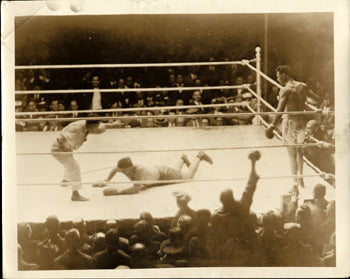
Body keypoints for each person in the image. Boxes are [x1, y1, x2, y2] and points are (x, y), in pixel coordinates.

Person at [265, 65, 320, 195]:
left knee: (292, 156)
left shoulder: (285, 90)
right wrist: (306, 104)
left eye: (278, 76)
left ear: (284, 75)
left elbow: (280, 110)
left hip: (290, 123)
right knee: (299, 152)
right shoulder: (303, 86)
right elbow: (317, 99)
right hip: (302, 122)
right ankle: (300, 179)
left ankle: (294, 186)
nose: (277, 79)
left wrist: (272, 125)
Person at [93, 151, 213, 195]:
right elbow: (115, 169)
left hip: (163, 175)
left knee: (187, 177)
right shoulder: (122, 167)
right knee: (176, 171)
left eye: (124, 171)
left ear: (130, 167)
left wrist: (117, 193)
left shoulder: (139, 171)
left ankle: (199, 156)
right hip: (156, 172)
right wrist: (107, 180)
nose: (122, 172)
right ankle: (182, 158)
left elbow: (135, 190)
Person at [51, 117, 107, 201]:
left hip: (63, 147)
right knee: (74, 166)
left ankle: (65, 180)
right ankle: (75, 195)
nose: (97, 127)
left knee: (69, 162)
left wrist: (107, 127)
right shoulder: (78, 131)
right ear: (92, 125)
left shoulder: (84, 123)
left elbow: (96, 130)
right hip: (59, 148)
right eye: (97, 126)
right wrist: (86, 137)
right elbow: (75, 145)